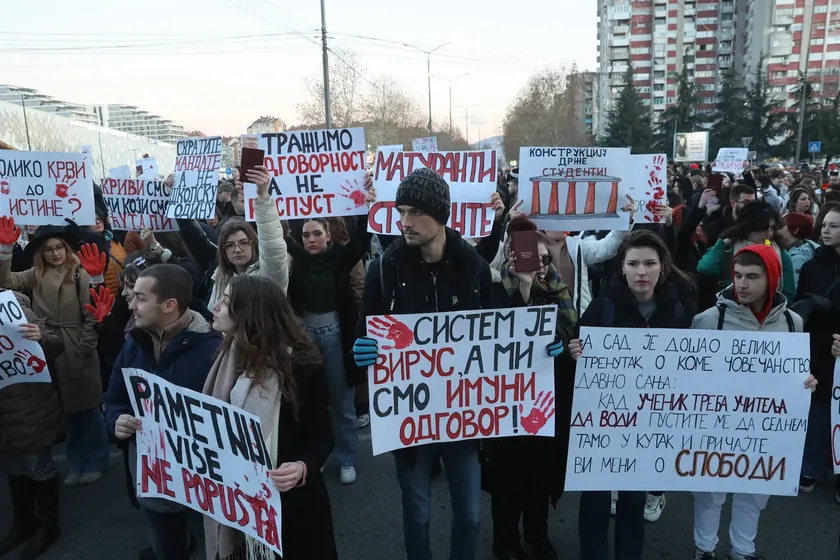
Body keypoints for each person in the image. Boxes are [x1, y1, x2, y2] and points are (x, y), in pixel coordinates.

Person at [353, 167, 493, 560]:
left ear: (440, 214)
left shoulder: (475, 267)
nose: (404, 222)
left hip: (463, 415)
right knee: (417, 512)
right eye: (401, 211)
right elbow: (366, 331)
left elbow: (497, 334)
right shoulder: (385, 269)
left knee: (470, 514)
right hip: (409, 417)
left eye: (415, 212)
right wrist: (363, 352)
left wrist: (536, 351)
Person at [568, 230, 695, 560]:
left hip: (647, 426)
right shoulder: (602, 308)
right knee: (595, 501)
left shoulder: (678, 312)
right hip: (602, 423)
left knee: (633, 500)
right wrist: (575, 350)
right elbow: (576, 354)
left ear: (662, 266)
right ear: (621, 267)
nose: (642, 271)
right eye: (634, 263)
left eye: (650, 263)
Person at [689, 245, 816, 560]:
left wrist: (806, 383)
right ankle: (704, 549)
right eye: (737, 275)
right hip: (716, 425)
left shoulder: (793, 323)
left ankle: (743, 550)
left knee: (755, 492)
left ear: (772, 279)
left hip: (766, 429)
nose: (742, 284)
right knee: (709, 492)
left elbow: (794, 374)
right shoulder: (708, 320)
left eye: (752, 277)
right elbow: (688, 373)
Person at [204, 275, 337, 560]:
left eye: (225, 302)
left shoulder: (302, 366)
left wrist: (303, 466)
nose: (215, 306)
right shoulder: (226, 356)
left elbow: (323, 436)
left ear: (249, 312)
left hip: (290, 504)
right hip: (239, 496)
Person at [103, 264, 222, 560]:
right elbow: (114, 398)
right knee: (166, 549)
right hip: (153, 484)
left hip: (204, 491)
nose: (131, 305)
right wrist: (116, 420)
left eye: (141, 298)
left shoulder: (215, 352)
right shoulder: (133, 345)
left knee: (216, 551)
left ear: (169, 306)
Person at [485, 215, 576, 560]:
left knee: (540, 476)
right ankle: (504, 541)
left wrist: (563, 345)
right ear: (512, 256)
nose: (537, 264)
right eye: (528, 256)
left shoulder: (558, 289)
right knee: (506, 480)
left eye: (543, 258)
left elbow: (569, 333)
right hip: (505, 404)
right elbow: (495, 334)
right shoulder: (495, 287)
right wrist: (523, 288)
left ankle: (537, 534)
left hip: (545, 401)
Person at [0, 219, 111, 487]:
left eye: (59, 247)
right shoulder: (34, 274)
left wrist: (85, 346)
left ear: (67, 248)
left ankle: (96, 459)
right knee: (67, 410)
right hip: (45, 344)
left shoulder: (79, 273)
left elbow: (91, 314)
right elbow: (6, 280)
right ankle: (75, 462)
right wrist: (5, 250)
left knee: (88, 409)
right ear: (42, 252)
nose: (55, 253)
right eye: (49, 249)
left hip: (76, 345)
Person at [286, 211, 374, 484]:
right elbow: (268, 233)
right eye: (305, 235)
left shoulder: (340, 257)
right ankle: (319, 456)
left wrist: (369, 207)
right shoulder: (298, 258)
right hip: (305, 336)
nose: (311, 240)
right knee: (310, 400)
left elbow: (362, 240)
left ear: (328, 235)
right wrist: (258, 199)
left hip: (336, 335)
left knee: (341, 401)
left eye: (317, 234)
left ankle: (347, 457)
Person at [0, 291, 64, 559]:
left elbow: (56, 344)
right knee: (14, 468)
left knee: (38, 466)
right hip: (5, 415)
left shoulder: (9, 304)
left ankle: (48, 527)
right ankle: (24, 522)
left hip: (27, 405)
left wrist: (41, 336)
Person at [795, 205, 840, 492]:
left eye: (834, 226)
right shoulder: (812, 265)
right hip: (818, 346)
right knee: (819, 404)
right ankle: (811, 467)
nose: (826, 230)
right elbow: (800, 304)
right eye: (824, 224)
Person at [207, 166, 288, 305]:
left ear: (254, 243)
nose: (237, 249)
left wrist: (262, 197)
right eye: (230, 245)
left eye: (243, 243)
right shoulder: (221, 276)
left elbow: (272, 245)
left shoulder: (268, 274)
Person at [697, 200, 795, 302]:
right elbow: (705, 268)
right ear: (749, 226)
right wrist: (723, 243)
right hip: (732, 308)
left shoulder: (781, 254)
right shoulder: (731, 250)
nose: (770, 233)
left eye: (772, 228)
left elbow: (788, 293)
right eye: (765, 228)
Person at [776, 212, 819, 291]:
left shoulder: (797, 258)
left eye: (781, 226)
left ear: (795, 230)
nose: (777, 230)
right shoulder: (808, 249)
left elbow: (793, 290)